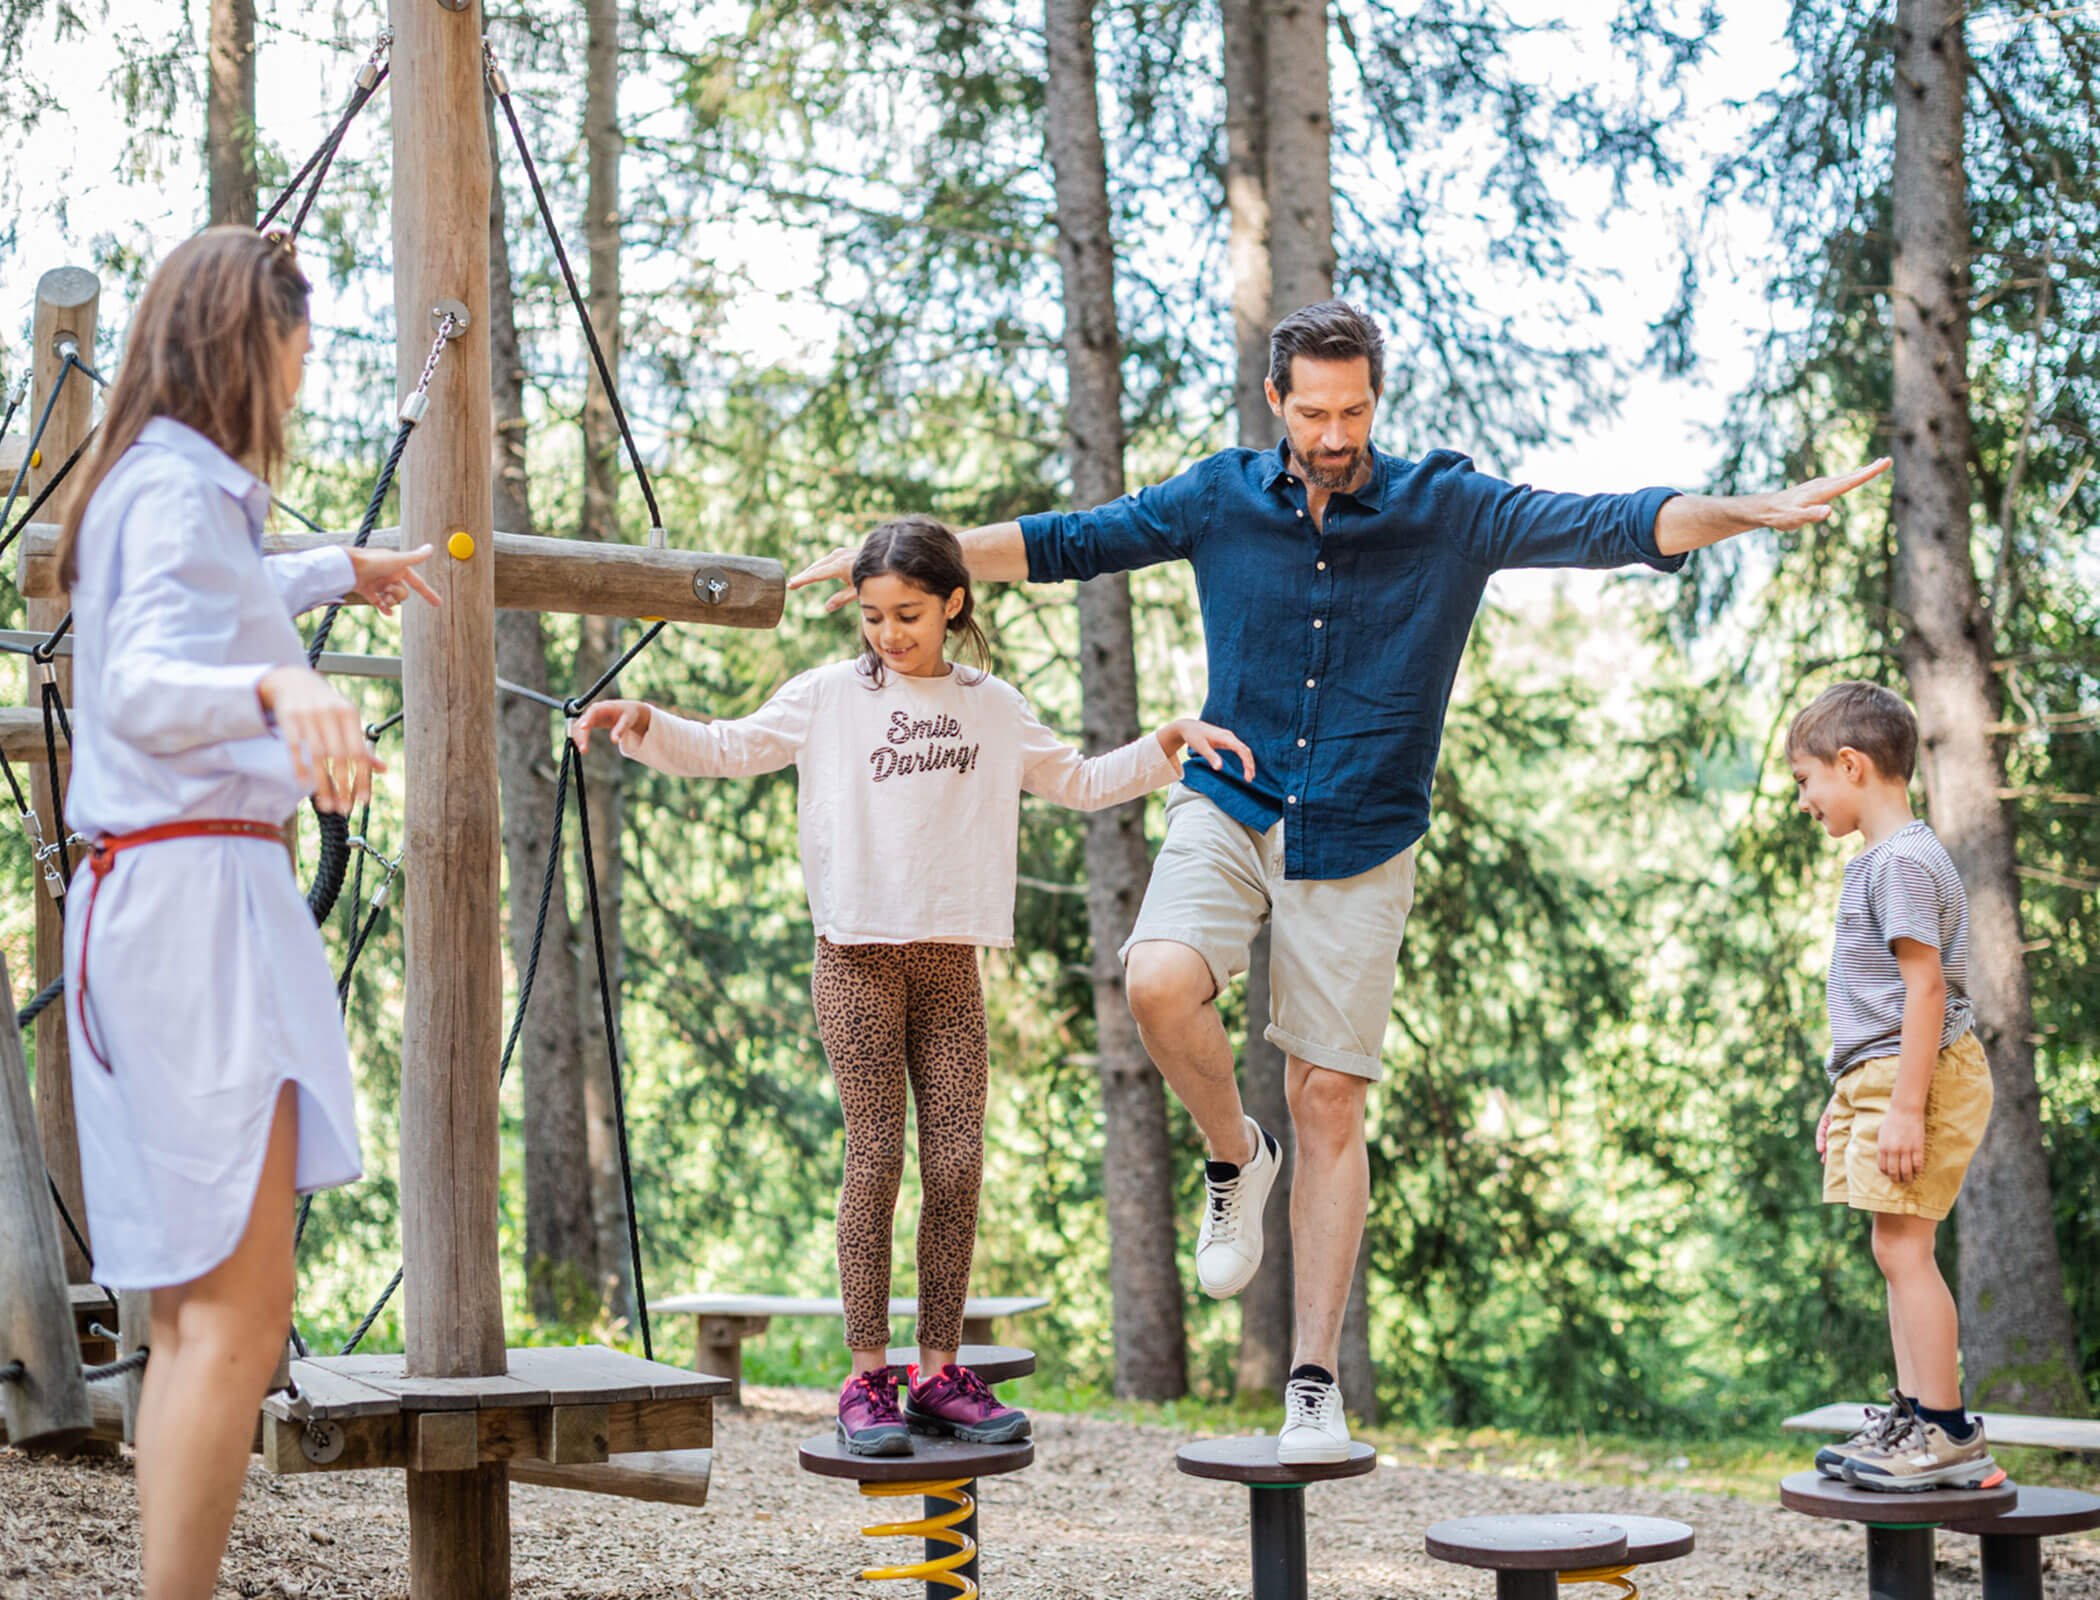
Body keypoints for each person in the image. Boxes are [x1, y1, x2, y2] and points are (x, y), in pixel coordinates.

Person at [793, 300, 1892, 1462]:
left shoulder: (1445, 509)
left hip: (1363, 825)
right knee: (1158, 979)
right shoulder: (1221, 497)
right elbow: (1070, 540)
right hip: (1233, 793)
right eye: (1312, 412)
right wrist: (897, 559)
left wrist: (1744, 510)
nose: (1332, 433)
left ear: (1376, 398)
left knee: (1327, 1095)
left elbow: (1611, 521)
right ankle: (1235, 1153)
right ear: (1277, 400)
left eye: (1353, 410)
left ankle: (1312, 1383)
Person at [573, 515, 1249, 1456]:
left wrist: (1165, 745)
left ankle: (937, 1374)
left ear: (953, 604)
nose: (889, 634)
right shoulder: (828, 697)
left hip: (948, 963)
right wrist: (645, 726)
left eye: (909, 615)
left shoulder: (991, 706)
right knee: (877, 1158)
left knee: (958, 1165)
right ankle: (866, 1379)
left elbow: (1080, 780)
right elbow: (730, 746)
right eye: (873, 616)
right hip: (856, 956)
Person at [54, 226, 439, 1600]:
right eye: (297, 351)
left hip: (162, 898)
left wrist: (333, 572)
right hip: (195, 907)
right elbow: (143, 682)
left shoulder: (160, 487)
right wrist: (282, 687)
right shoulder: (173, 490)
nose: (300, 378)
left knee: (193, 1314)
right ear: (246, 345)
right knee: (233, 1310)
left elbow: (203, 608)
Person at [1789, 682, 2001, 1491]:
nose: (1803, 801)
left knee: (1905, 1250)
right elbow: (1878, 1006)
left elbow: (1925, 990)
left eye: (1806, 780)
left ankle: (1947, 1434)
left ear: (1851, 765)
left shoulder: (1904, 861)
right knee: (1895, 1248)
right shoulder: (1884, 860)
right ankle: (1914, 1418)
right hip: (1884, 1073)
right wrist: (1846, 1094)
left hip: (1922, 1076)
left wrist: (1906, 1106)